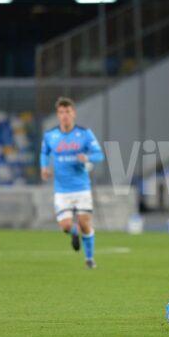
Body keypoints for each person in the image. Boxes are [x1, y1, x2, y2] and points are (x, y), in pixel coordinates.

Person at [40, 97, 105, 269]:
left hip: (81, 187)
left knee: (85, 223)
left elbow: (99, 155)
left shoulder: (84, 134)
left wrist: (87, 157)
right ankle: (74, 233)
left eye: (67, 112)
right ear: (57, 115)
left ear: (73, 113)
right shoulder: (50, 135)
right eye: (61, 112)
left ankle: (89, 259)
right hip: (61, 190)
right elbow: (44, 153)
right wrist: (44, 168)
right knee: (66, 226)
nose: (64, 116)